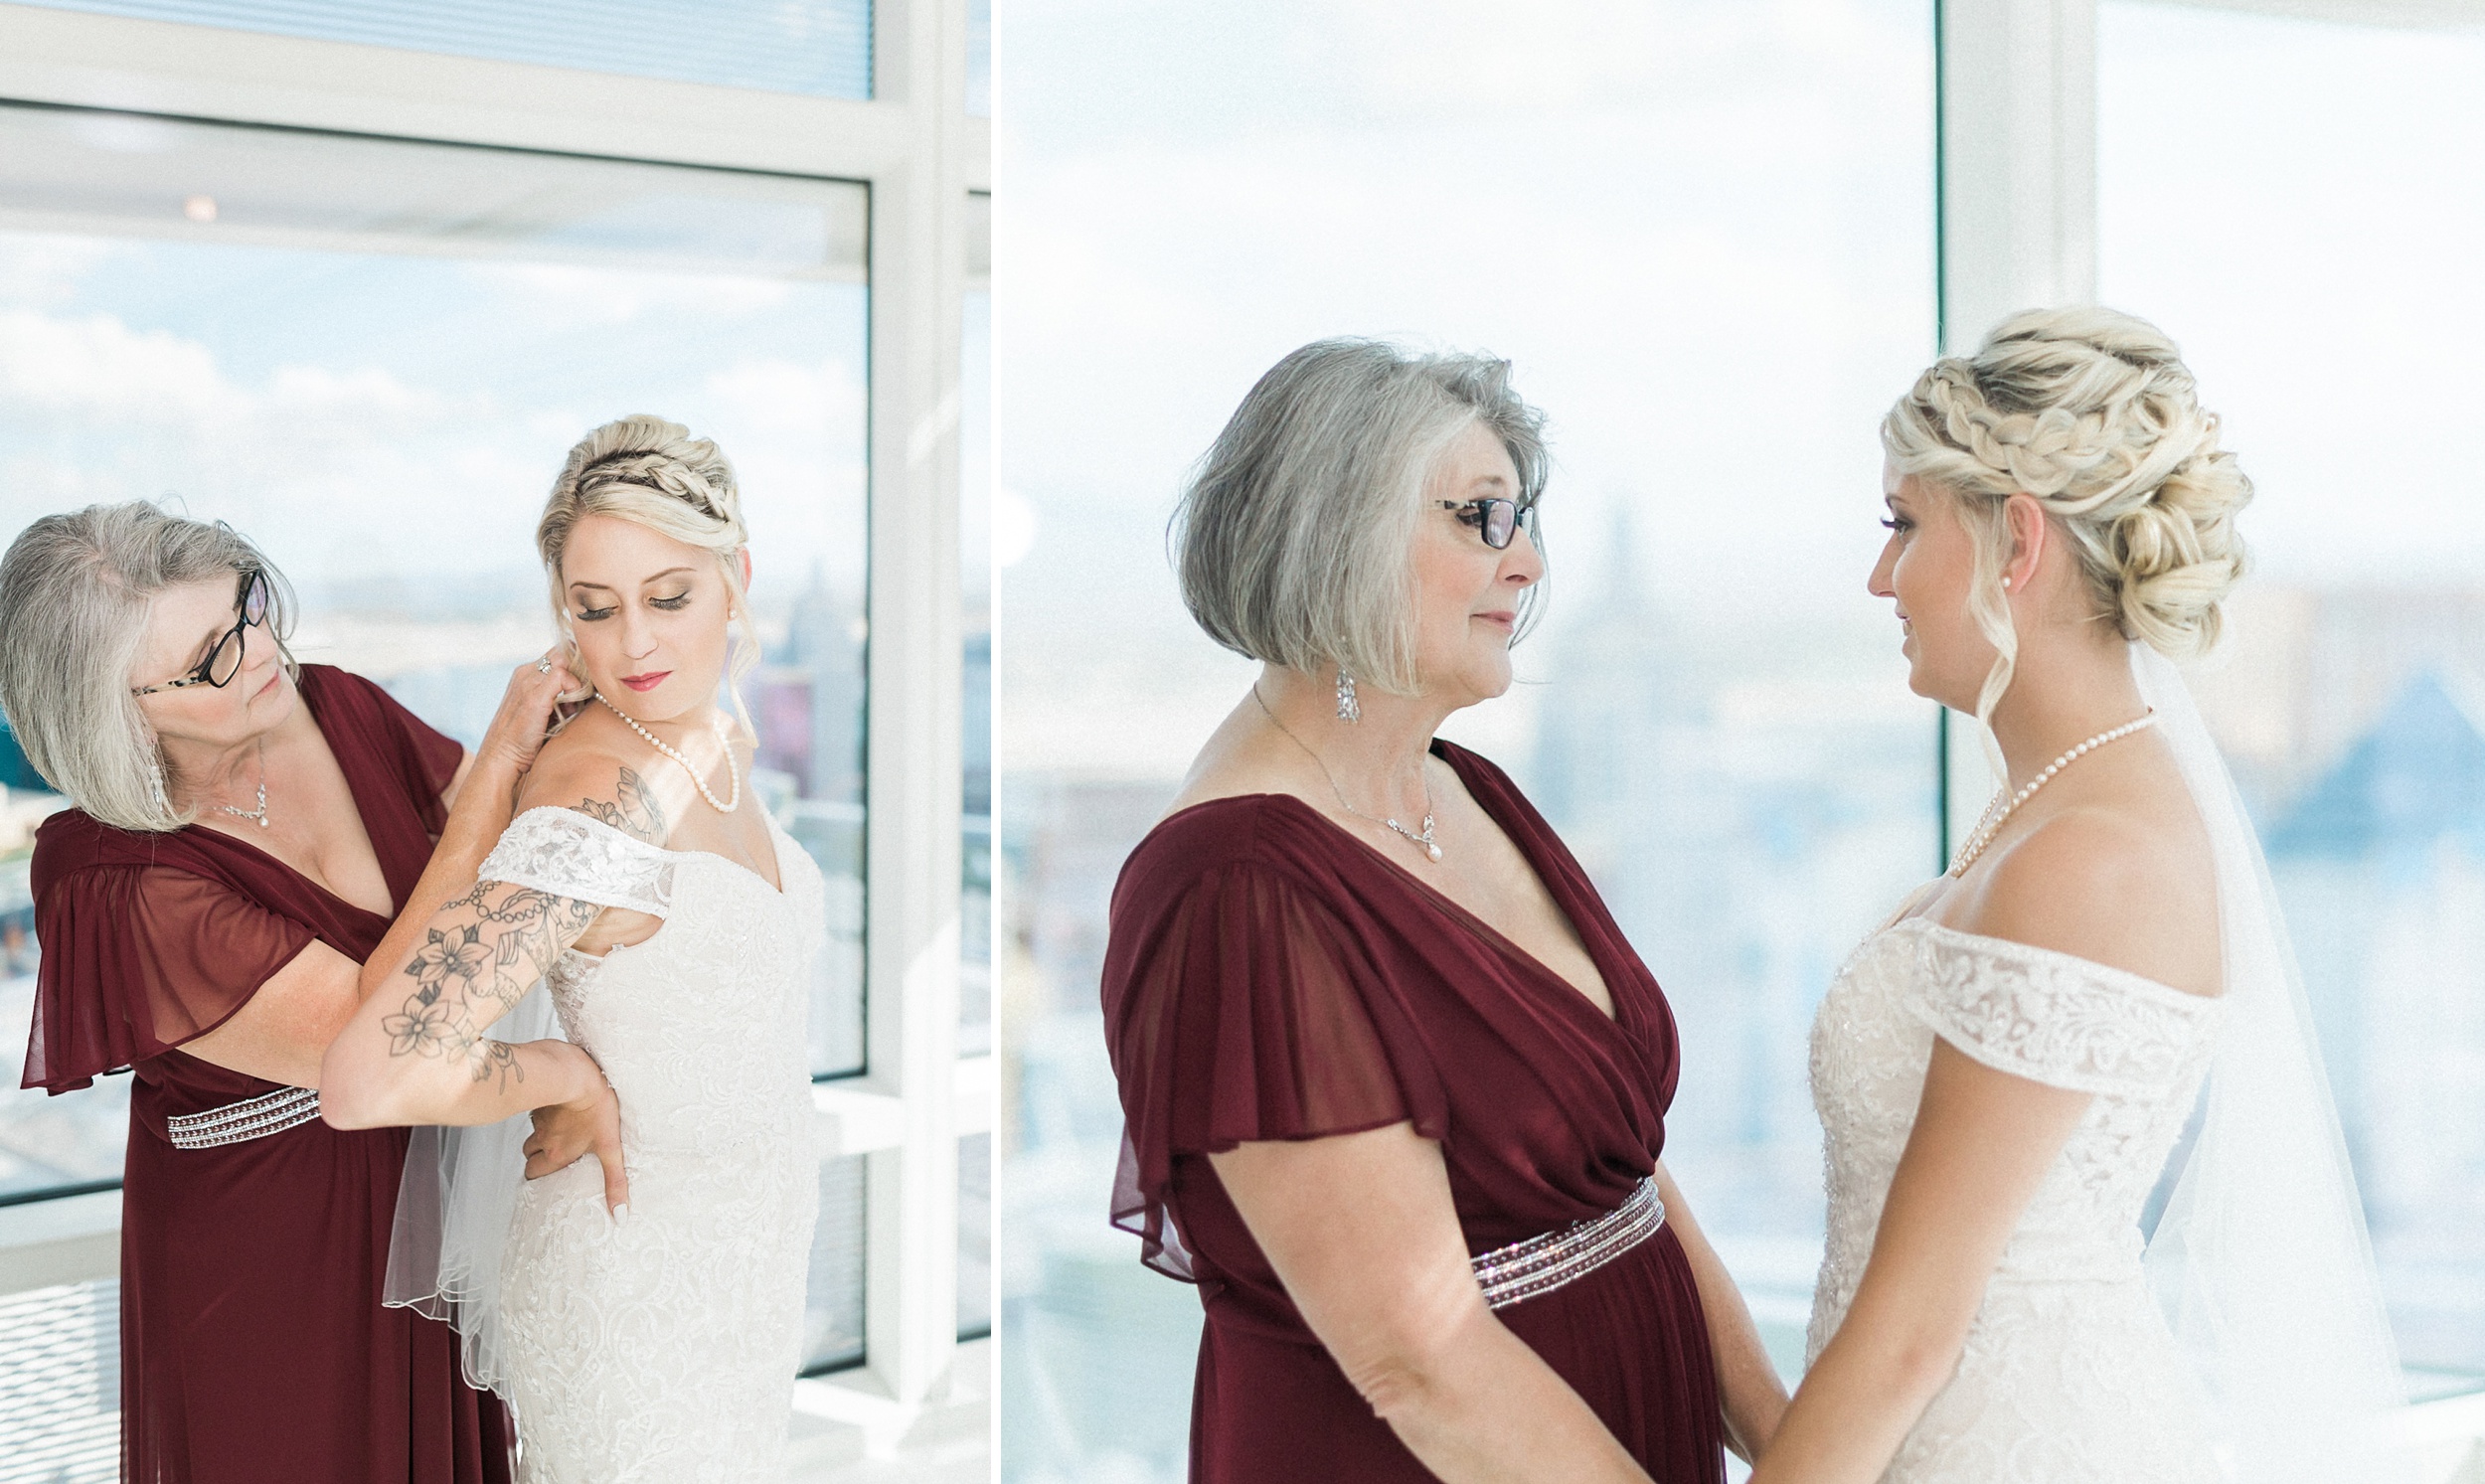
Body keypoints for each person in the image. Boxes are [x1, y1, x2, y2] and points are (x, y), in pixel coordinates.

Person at [1099, 339, 1786, 1483]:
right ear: (1336, 538)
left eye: (1522, 520)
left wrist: (1787, 1438)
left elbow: (1623, 1175)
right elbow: (1418, 1357)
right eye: (1480, 517)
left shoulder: (1470, 789)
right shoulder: (1235, 885)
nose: (1525, 566)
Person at [1757, 307, 2404, 1483]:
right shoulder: (2045, 809)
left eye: (1902, 526)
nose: (1878, 576)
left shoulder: (2090, 852)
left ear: (2016, 541)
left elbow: (1909, 1333)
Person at [1, 501, 593, 1482]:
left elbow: (498, 850)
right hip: (273, 1253)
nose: (262, 647)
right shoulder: (116, 885)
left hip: (430, 1191)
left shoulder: (336, 704)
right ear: (116, 715)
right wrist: (499, 756)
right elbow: (380, 1025)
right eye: (211, 659)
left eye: (249, 604)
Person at [320, 414, 827, 1483]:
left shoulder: (710, 738)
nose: (634, 643)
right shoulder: (603, 795)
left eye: (668, 596)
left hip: (746, 1268)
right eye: (595, 610)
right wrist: (558, 1068)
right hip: (632, 1287)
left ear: (738, 574)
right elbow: (371, 1075)